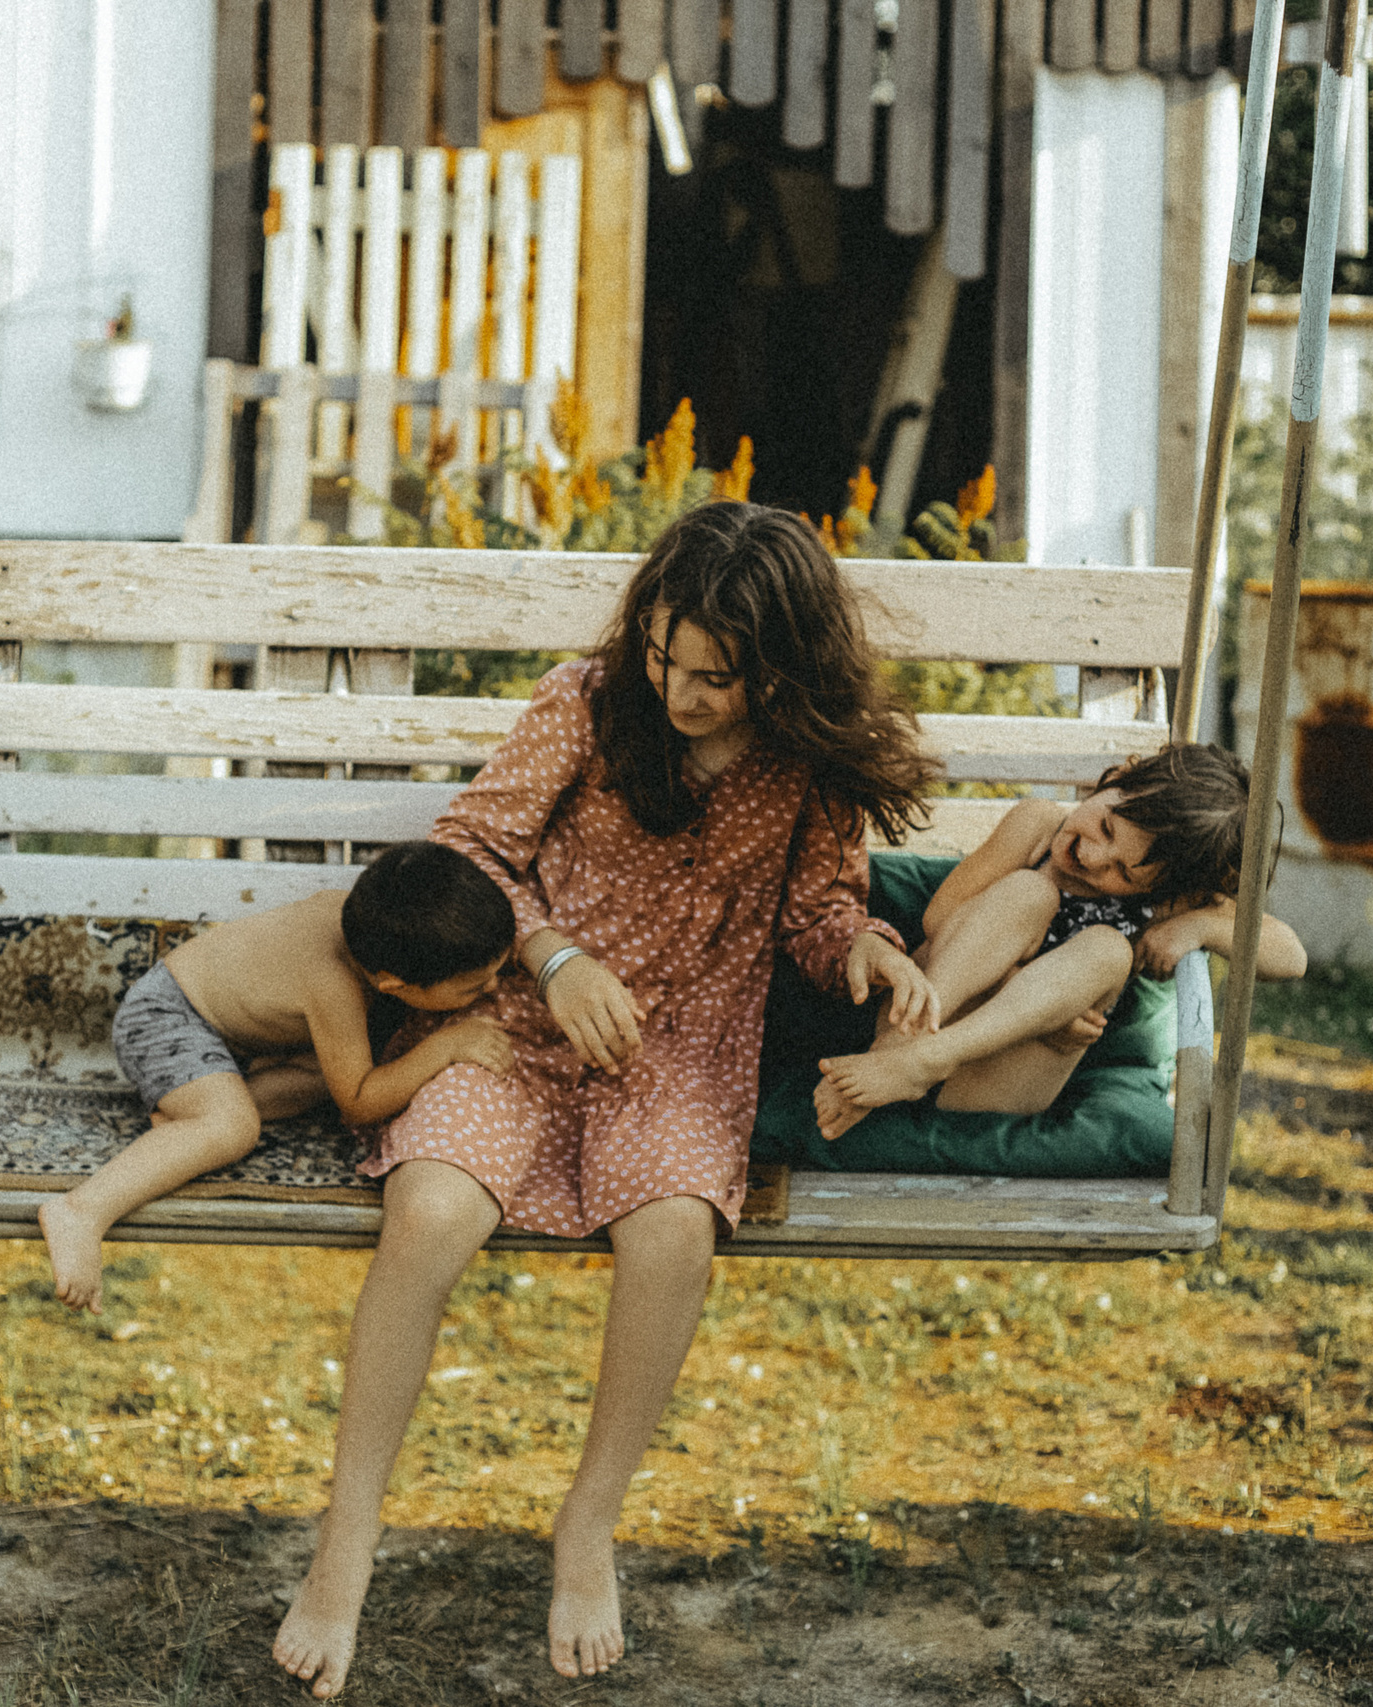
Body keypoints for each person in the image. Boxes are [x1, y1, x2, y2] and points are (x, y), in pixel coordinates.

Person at [272, 503, 942, 1697]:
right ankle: (348, 1534)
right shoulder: (585, 704)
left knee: (673, 1229)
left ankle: (587, 1524)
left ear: (780, 668)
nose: (681, 692)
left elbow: (817, 909)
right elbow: (474, 847)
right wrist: (555, 959)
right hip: (515, 1022)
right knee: (428, 1212)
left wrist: (864, 952)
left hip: (676, 1050)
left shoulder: (807, 761)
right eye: (665, 657)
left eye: (716, 677)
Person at [38, 841, 517, 1313]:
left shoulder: (369, 920)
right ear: (393, 984)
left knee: (330, 1074)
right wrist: (444, 1048)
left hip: (238, 1039)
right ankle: (82, 1211)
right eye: (475, 987)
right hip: (165, 1019)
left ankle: (191, 1118)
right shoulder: (333, 982)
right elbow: (359, 1103)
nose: (492, 988)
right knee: (234, 1128)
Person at [814, 744, 1307, 1139]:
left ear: (1162, 889)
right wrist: (1031, 995)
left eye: (1123, 872)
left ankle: (922, 1062)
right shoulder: (1037, 826)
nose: (1094, 857)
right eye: (1106, 827)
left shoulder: (1165, 905)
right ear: (1115, 780)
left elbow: (1291, 957)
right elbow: (939, 920)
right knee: (1030, 892)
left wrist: (1200, 927)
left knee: (1110, 949)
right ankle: (896, 1053)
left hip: (996, 1077)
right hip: (925, 1015)